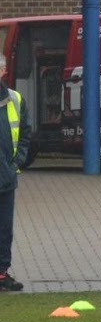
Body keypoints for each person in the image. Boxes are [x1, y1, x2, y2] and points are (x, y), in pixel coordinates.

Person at [0, 54, 32, 292]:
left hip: (5, 176)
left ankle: (2, 274)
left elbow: (25, 133)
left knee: (4, 230)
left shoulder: (15, 99)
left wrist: (16, 162)